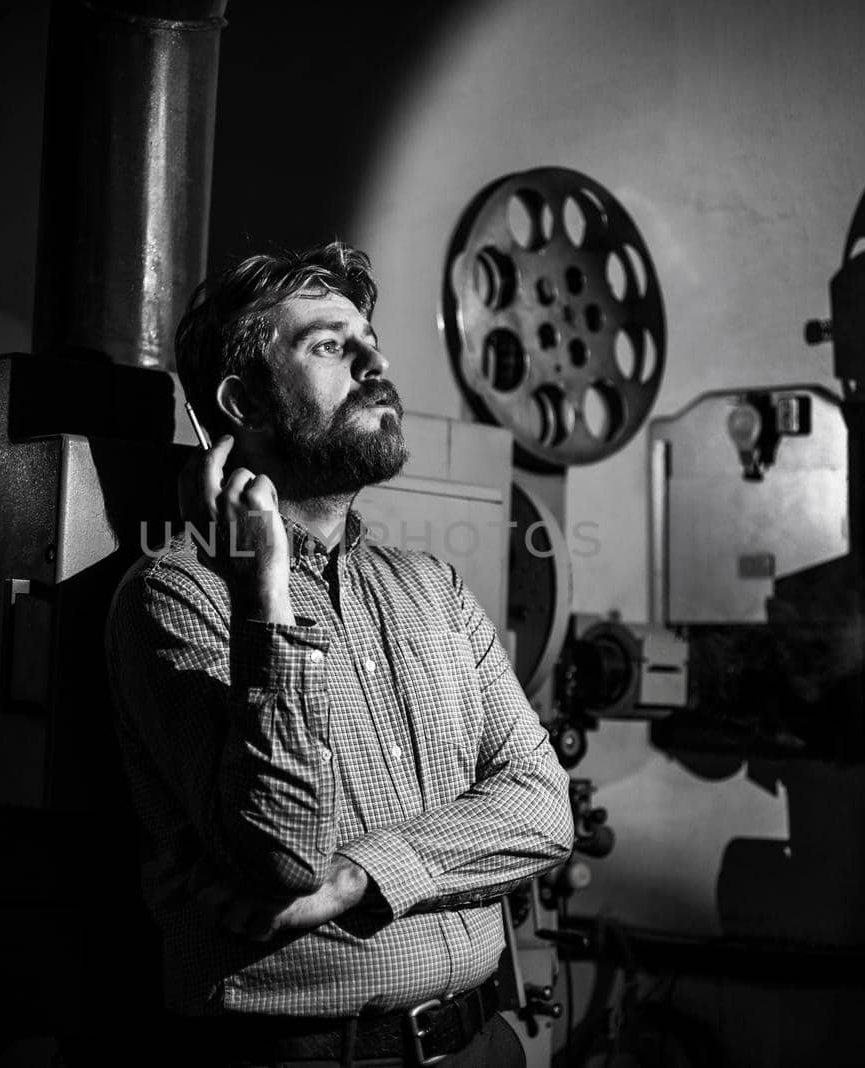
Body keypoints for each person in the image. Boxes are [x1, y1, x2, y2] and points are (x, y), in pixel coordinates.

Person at [105, 240, 574, 1067]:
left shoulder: (434, 589)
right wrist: (264, 594)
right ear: (243, 400)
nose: (376, 361)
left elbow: (544, 809)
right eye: (330, 345)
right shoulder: (175, 597)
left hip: (482, 1043)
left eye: (370, 341)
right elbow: (280, 856)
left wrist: (356, 878)